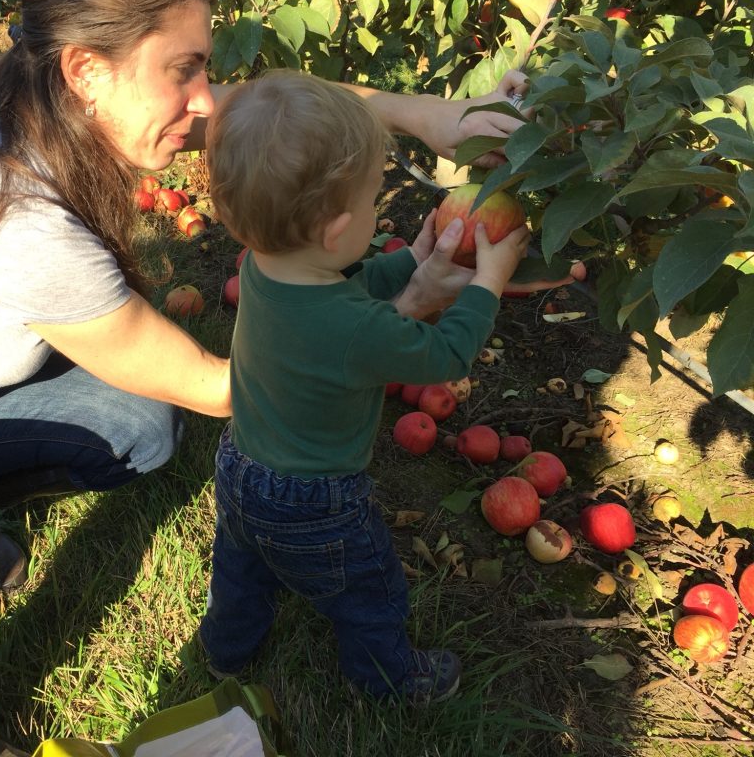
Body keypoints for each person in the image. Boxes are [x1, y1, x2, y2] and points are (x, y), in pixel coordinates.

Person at [0, 0, 558, 755]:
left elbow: (269, 115)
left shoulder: (46, 111)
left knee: (135, 423)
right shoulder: (17, 221)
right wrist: (409, 310)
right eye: (186, 68)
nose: (206, 99)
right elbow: (234, 385)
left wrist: (428, 116)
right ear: (87, 70)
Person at [197, 69, 530, 703]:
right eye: (377, 195)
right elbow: (448, 350)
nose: (381, 207)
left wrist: (414, 260)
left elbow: (349, 279)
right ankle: (386, 675)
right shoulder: (356, 330)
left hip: (241, 467)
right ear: (331, 229)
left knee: (241, 571)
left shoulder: (266, 269)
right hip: (317, 499)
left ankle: (225, 649)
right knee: (370, 588)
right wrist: (488, 281)